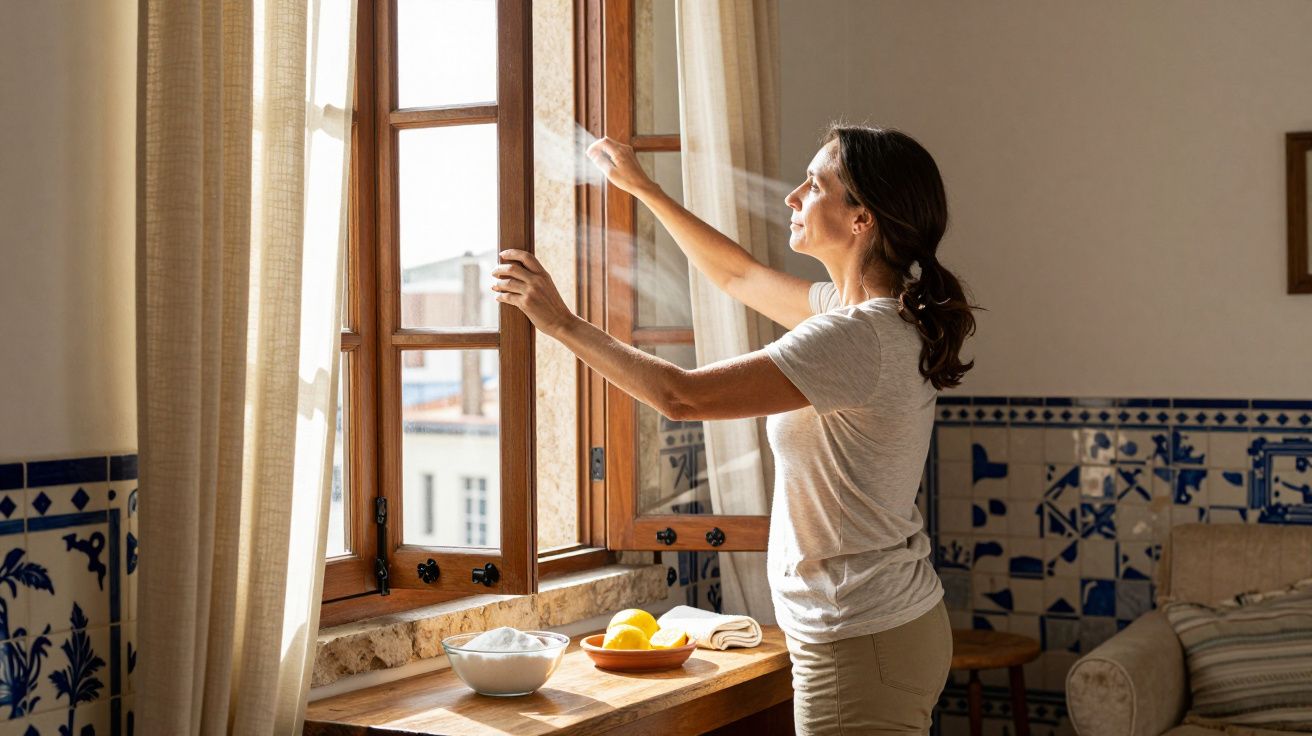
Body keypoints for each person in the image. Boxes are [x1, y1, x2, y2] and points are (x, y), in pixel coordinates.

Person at [490, 124, 978, 735]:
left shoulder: (856, 337)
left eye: (816, 185)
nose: (792, 197)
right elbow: (738, 277)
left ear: (862, 219)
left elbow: (681, 396)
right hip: (883, 627)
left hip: (859, 636)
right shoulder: (864, 317)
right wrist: (646, 190)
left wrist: (560, 323)